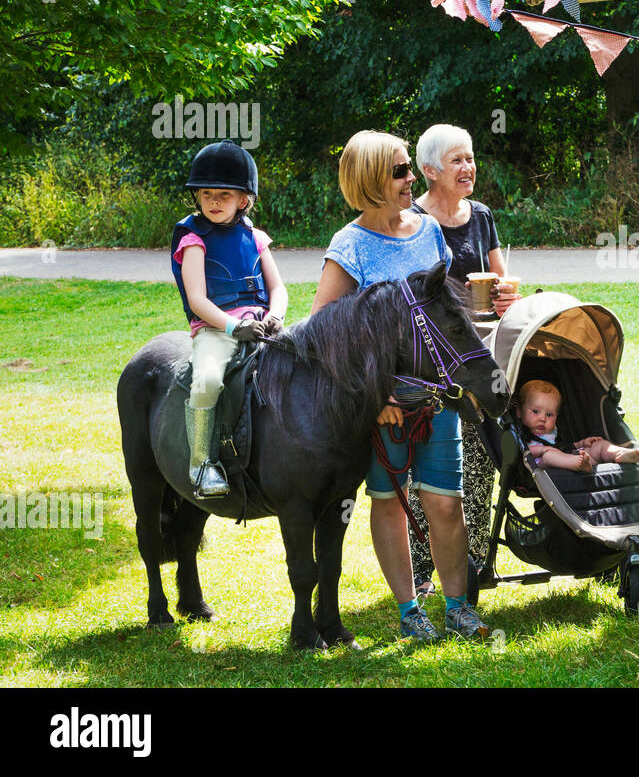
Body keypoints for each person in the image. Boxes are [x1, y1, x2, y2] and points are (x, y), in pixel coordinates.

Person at [312, 130, 488, 643]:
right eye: (398, 171)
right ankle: (411, 611)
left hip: (438, 400)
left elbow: (442, 306)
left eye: (409, 167)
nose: (410, 178)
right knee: (388, 501)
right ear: (370, 181)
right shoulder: (349, 246)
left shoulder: (429, 230)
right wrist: (377, 396)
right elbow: (323, 328)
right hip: (385, 409)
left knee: (445, 502)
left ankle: (458, 607)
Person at [406, 124, 518, 595]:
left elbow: (500, 280)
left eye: (470, 158)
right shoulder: (412, 221)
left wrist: (508, 292)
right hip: (431, 357)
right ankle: (419, 566)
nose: (468, 167)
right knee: (426, 462)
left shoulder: (482, 217)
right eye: (457, 160)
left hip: (480, 350)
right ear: (430, 170)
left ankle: (472, 561)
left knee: (480, 454)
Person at [170, 139, 287, 499]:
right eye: (207, 193)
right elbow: (197, 300)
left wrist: (276, 316)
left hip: (262, 326)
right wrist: (236, 327)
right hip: (216, 330)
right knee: (206, 380)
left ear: (243, 199)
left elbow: (278, 288)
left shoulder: (254, 237)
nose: (215, 201)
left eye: (224, 194)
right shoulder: (192, 239)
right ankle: (202, 463)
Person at [518, 380, 639, 473]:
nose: (542, 418)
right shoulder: (521, 432)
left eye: (549, 414)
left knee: (598, 444)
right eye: (535, 411)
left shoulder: (555, 431)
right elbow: (522, 451)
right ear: (519, 412)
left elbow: (565, 446)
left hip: (573, 458)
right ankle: (578, 464)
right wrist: (543, 450)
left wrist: (581, 444)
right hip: (542, 465)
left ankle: (618, 454)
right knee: (549, 456)